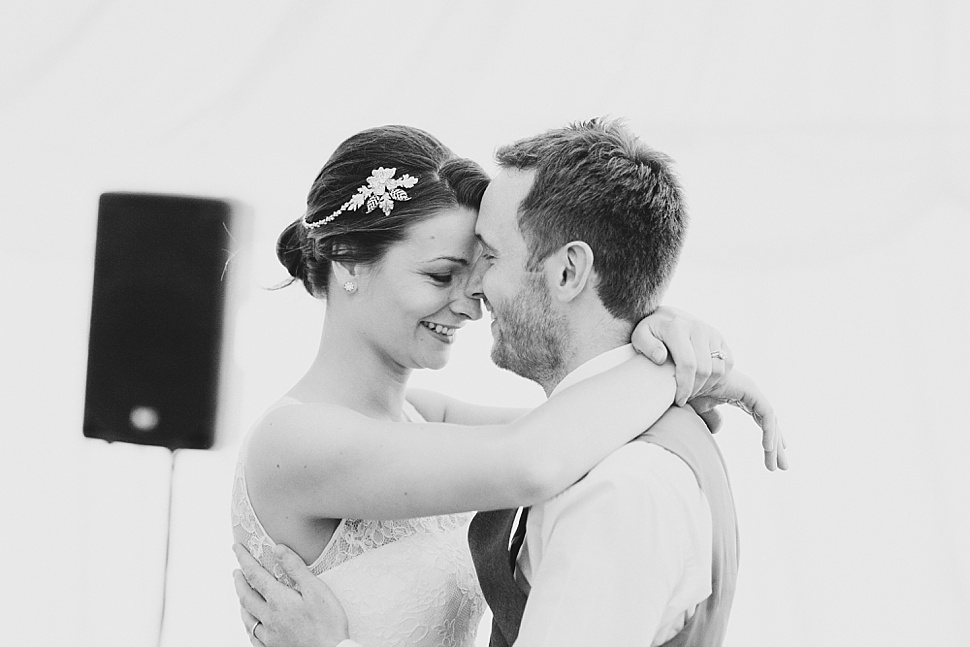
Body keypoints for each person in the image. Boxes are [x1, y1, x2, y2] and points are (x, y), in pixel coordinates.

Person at [231, 123, 786, 647]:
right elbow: (533, 460)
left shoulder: (424, 418)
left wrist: (659, 325)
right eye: (443, 274)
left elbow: (582, 424)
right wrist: (666, 363)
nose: (474, 300)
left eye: (483, 267)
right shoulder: (294, 442)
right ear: (347, 260)